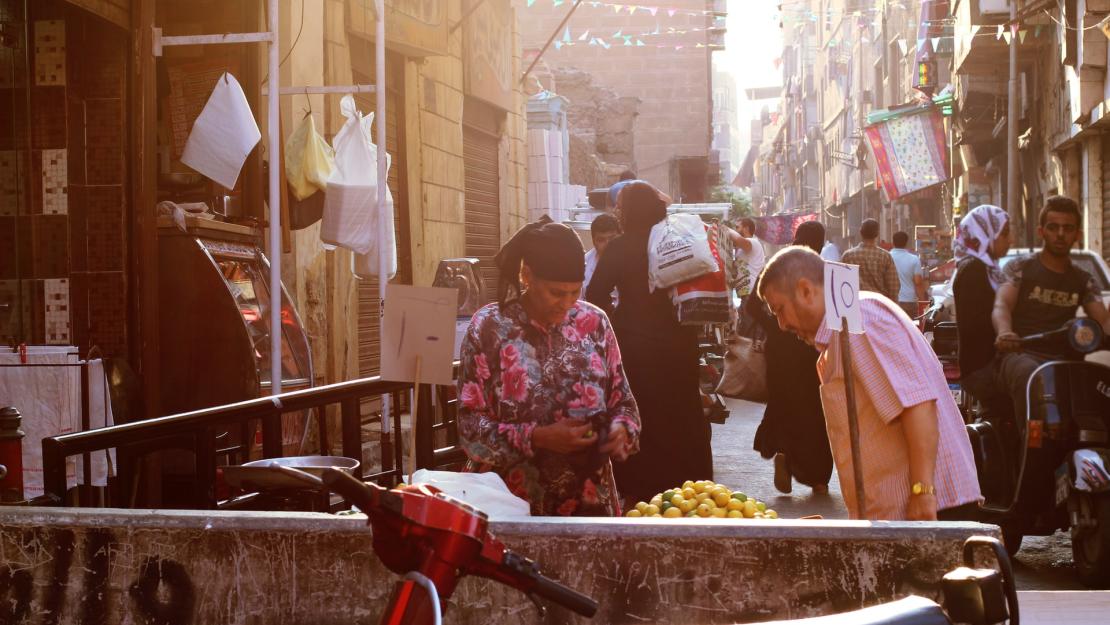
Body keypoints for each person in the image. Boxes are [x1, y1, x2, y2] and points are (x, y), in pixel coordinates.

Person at [757, 247, 982, 520]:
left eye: (779, 310)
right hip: (900, 514)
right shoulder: (844, 329)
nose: (781, 325)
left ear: (806, 290)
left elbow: (918, 405)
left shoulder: (861, 320)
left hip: (931, 511)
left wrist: (922, 493)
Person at [457, 221, 641, 516]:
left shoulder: (594, 322)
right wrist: (538, 437)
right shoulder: (489, 328)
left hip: (589, 505)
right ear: (527, 275)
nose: (566, 304)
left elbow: (624, 404)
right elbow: (470, 430)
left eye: (574, 292)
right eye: (556, 292)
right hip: (508, 506)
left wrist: (622, 430)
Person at [586, 181, 713, 502]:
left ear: (627, 211)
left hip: (635, 345)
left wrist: (618, 321)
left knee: (643, 412)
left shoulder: (620, 246)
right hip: (680, 342)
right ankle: (689, 484)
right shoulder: (675, 241)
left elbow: (595, 294)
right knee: (682, 409)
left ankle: (643, 487)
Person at [992, 196, 1110, 421]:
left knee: (1097, 387)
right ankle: (1029, 450)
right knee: (1027, 375)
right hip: (1021, 353)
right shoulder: (1021, 268)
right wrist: (1005, 332)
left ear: (1077, 235)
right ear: (1041, 231)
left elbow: (1103, 321)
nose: (1060, 234)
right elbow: (1002, 304)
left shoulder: (1083, 279)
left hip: (1065, 358)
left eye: (1068, 228)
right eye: (1053, 227)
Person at [750, 220, 833, 495]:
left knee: (784, 403)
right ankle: (819, 478)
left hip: (781, 353)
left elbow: (751, 304)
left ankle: (784, 451)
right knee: (816, 409)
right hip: (812, 350)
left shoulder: (776, 266)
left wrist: (775, 324)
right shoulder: (823, 271)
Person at [951, 205, 1010, 410]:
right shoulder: (973, 270)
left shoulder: (987, 268)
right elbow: (975, 324)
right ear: (985, 234)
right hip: (983, 367)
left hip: (988, 363)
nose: (1010, 240)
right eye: (1004, 234)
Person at [840, 219, 901, 302]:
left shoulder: (848, 256)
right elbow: (894, 287)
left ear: (860, 232)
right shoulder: (885, 256)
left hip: (854, 305)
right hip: (879, 306)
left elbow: (840, 283)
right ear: (877, 234)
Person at [890, 231, 926, 318]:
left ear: (893, 242)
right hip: (909, 302)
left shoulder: (887, 256)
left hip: (891, 301)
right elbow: (918, 283)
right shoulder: (914, 259)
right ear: (906, 243)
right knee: (909, 328)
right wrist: (923, 302)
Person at [583, 213, 621, 294]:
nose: (608, 245)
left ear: (621, 236)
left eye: (612, 238)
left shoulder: (634, 262)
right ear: (594, 242)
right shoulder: (583, 265)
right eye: (601, 240)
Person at [729, 217, 766, 298]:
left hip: (751, 292)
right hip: (745, 293)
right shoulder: (741, 250)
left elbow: (738, 239)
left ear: (746, 229)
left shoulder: (753, 242)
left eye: (737, 227)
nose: (735, 230)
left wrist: (726, 229)